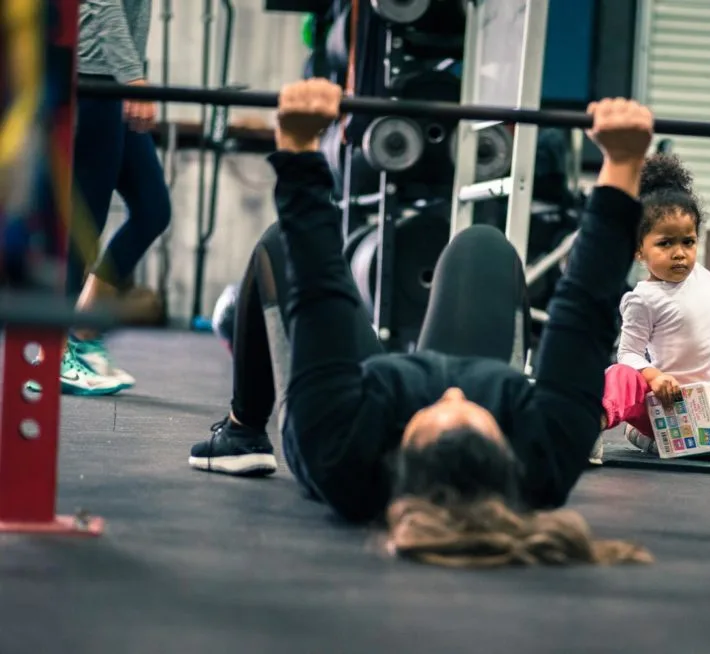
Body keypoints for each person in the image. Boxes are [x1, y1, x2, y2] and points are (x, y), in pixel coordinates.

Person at [189, 78, 657, 568]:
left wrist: (300, 146)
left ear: (400, 453)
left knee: (280, 242)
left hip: (358, 403)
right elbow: (584, 310)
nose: (450, 396)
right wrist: (623, 163)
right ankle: (461, 413)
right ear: (506, 451)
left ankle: (242, 431)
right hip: (457, 400)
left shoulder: (340, 452)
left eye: (433, 414)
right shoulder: (545, 457)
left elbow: (317, 288)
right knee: (483, 246)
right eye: (474, 414)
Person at [599, 154, 710, 459]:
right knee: (621, 373)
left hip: (704, 402)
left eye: (688, 242)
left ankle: (654, 440)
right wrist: (654, 377)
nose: (680, 254)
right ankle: (595, 425)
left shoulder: (701, 277)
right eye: (665, 244)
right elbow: (629, 352)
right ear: (639, 250)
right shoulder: (643, 298)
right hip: (662, 399)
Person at [61, 0, 172, 396]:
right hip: (96, 75)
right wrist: (131, 77)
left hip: (115, 77)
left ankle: (83, 329)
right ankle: (48, 355)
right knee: (83, 224)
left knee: (152, 209)